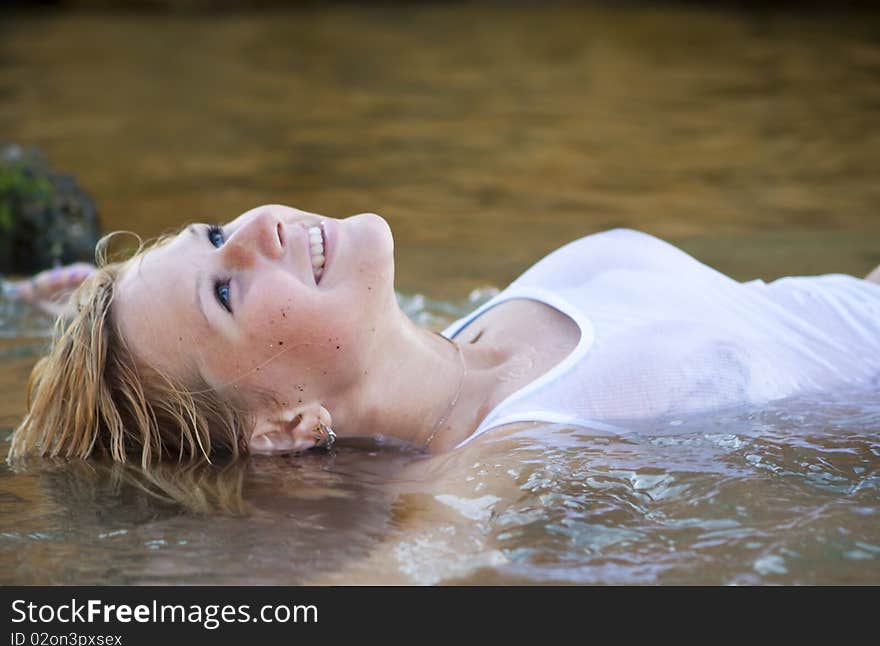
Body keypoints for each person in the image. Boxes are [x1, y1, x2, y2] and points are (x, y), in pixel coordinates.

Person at [8, 204, 880, 467]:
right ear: (282, 425)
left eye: (208, 234)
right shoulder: (501, 455)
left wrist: (91, 315)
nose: (257, 224)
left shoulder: (468, 328)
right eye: (227, 289)